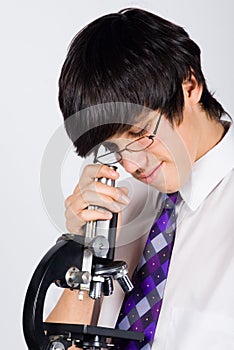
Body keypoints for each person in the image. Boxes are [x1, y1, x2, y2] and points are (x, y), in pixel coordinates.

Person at [46, 8, 234, 350]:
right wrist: (84, 246)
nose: (133, 164)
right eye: (114, 149)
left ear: (189, 85)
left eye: (141, 133)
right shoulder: (119, 204)